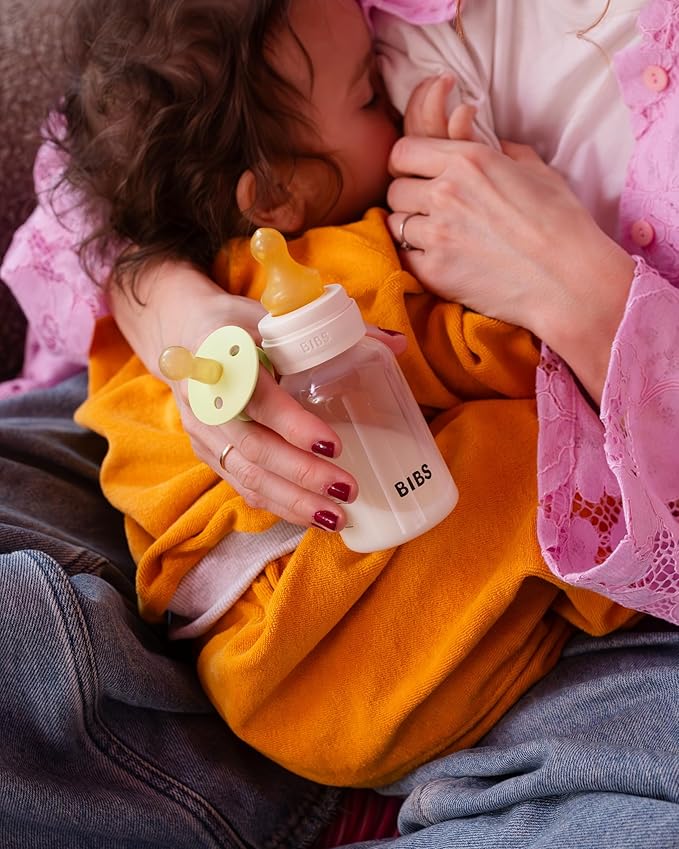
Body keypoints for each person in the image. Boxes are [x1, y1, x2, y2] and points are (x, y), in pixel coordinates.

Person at [1, 0, 677, 843]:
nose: (390, 104)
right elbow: (498, 358)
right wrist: (166, 296)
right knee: (520, 451)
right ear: (274, 193)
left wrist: (577, 290)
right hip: (357, 666)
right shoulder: (352, 257)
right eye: (369, 94)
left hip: (255, 663)